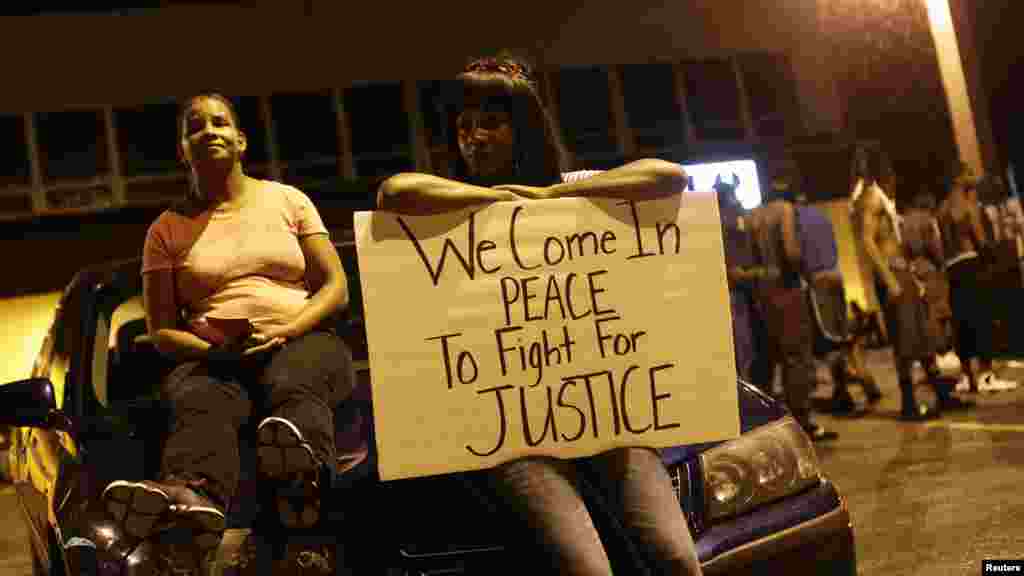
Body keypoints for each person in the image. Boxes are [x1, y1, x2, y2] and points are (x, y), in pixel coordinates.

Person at [377, 53, 702, 576]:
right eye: (463, 126)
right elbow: (395, 192)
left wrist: (554, 195)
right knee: (585, 569)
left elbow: (669, 176)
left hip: (608, 412)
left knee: (676, 556)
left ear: (523, 128)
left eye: (491, 122)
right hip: (515, 429)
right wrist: (498, 200)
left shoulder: (576, 184)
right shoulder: (451, 202)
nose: (474, 137)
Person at [101, 93, 356, 554]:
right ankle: (190, 498)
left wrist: (289, 329)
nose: (209, 131)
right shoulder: (166, 229)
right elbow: (161, 331)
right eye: (195, 126)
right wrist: (215, 352)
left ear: (241, 141)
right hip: (218, 359)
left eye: (220, 123)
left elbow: (336, 286)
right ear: (183, 149)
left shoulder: (287, 200)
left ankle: (303, 481)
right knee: (198, 398)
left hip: (304, 340)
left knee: (292, 378)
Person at [852, 151, 965, 420]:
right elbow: (868, 241)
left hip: (902, 273)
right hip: (893, 275)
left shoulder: (880, 198)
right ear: (883, 173)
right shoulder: (870, 198)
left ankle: (941, 394)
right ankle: (909, 405)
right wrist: (890, 280)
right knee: (905, 341)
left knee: (920, 335)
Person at [747, 173, 838, 441]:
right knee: (796, 358)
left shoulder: (752, 216)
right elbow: (791, 250)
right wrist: (806, 274)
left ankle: (762, 426)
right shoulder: (784, 211)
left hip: (760, 294)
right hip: (786, 290)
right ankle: (802, 424)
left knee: (766, 359)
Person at [791, 185, 882, 414]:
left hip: (818, 282)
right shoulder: (821, 216)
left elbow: (796, 254)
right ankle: (867, 382)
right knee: (843, 337)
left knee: (830, 342)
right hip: (836, 277)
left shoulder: (793, 219)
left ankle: (843, 393)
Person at [937, 162, 1018, 393]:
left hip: (952, 267)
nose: (973, 177)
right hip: (970, 263)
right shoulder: (968, 206)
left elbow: (942, 244)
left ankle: (967, 377)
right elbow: (979, 240)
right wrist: (993, 258)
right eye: (968, 173)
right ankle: (986, 375)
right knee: (981, 318)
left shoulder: (942, 210)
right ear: (958, 179)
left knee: (961, 321)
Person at [715, 174, 757, 382]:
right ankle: (745, 383)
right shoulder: (730, 216)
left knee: (740, 342)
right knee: (742, 343)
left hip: (732, 287)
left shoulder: (720, 216)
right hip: (735, 288)